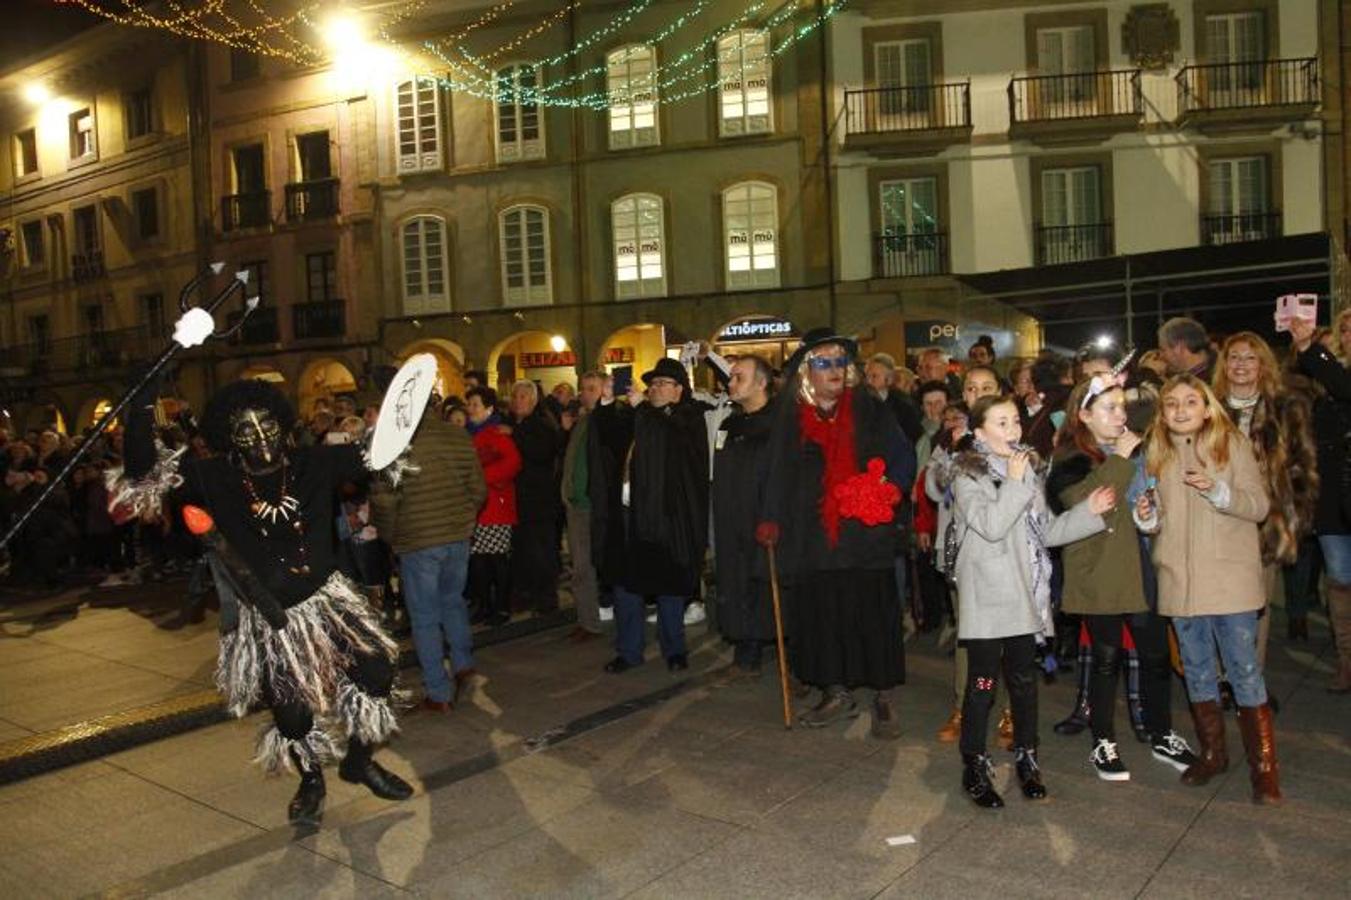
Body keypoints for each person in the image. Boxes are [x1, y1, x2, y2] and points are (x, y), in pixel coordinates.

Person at [115, 372, 413, 826]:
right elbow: (143, 474)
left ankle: (358, 761)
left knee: (377, 671)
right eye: (246, 430)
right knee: (293, 717)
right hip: (271, 620)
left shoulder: (316, 462)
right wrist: (140, 407)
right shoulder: (212, 477)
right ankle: (311, 779)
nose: (260, 437)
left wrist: (405, 396)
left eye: (268, 425)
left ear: (284, 424)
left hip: (329, 602)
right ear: (229, 439)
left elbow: (380, 452)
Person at [950, 394, 1112, 807]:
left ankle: (1027, 755)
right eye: (1000, 423)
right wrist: (1019, 483)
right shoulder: (967, 473)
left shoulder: (1028, 473)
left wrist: (1088, 513)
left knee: (1023, 683)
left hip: (1024, 595)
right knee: (983, 683)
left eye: (1016, 422)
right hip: (986, 597)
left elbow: (1048, 534)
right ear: (979, 430)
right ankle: (974, 759)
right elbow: (989, 525)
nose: (1012, 431)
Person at [758, 329, 914, 739]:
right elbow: (776, 471)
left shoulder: (869, 407)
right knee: (823, 614)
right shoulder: (789, 415)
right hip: (813, 537)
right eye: (823, 362)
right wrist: (771, 517)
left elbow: (902, 456)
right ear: (807, 372)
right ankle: (836, 690)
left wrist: (887, 489)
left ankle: (883, 696)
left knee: (872, 613)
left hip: (864, 532)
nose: (834, 369)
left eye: (839, 362)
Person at [1137, 374, 1280, 803]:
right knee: (1197, 670)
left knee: (1244, 672)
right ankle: (1213, 753)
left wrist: (1219, 492)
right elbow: (1157, 518)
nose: (1180, 410)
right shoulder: (1155, 452)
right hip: (1179, 582)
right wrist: (1146, 517)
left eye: (1190, 402)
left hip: (1230, 579)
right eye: (1171, 403)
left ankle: (1264, 768)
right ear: (1162, 412)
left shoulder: (1231, 444)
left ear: (1207, 407)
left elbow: (1259, 506)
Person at [1048, 376, 1197, 782]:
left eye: (1121, 408)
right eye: (1109, 408)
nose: (1120, 416)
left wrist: (1148, 511)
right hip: (1098, 570)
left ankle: (1162, 732)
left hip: (1140, 566)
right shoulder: (1070, 458)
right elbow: (1084, 504)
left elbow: (1146, 506)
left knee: (1155, 656)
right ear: (1084, 415)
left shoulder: (1140, 452)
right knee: (1105, 659)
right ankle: (1103, 740)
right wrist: (1120, 461)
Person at [370, 393, 486, 714]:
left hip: (418, 541)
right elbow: (478, 489)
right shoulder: (457, 434)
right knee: (453, 601)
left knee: (424, 617)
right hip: (457, 536)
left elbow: (384, 501)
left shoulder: (396, 444)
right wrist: (463, 519)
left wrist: (392, 537)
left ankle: (438, 692)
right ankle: (464, 665)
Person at [598, 358, 709, 673]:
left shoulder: (687, 417)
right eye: (653, 383)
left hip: (667, 520)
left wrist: (641, 408)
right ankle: (629, 650)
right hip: (630, 518)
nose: (655, 389)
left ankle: (674, 649)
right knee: (626, 587)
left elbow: (666, 434)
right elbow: (608, 437)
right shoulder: (641, 416)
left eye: (663, 383)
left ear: (678, 390)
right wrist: (607, 401)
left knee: (669, 589)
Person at [1213, 332, 1319, 654]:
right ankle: (1221, 680)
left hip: (1266, 523)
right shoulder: (1208, 407)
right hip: (1216, 518)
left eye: (1250, 357)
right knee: (1216, 602)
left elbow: (1304, 466)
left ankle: (1250, 685)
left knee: (1256, 605)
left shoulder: (1286, 406)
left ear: (1263, 365)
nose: (1241, 364)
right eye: (1234, 357)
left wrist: (1294, 520)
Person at [1289, 316, 1351, 692]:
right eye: (1344, 329)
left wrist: (1311, 348)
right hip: (1331, 495)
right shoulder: (1321, 381)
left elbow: (1345, 388)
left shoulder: (1332, 376)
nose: (1348, 335)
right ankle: (1347, 662)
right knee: (1340, 579)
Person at [712, 355, 777, 674]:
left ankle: (779, 643)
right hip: (731, 520)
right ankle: (745, 643)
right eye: (731, 376)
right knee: (736, 581)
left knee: (765, 584)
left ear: (762, 383)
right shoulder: (729, 425)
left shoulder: (780, 423)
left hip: (765, 520)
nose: (730, 382)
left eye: (739, 376)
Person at [464, 386, 521, 629]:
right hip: (477, 508)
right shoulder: (469, 435)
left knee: (498, 561)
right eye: (470, 404)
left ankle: (502, 607)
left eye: (475, 404)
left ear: (489, 409)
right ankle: (484, 605)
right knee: (479, 562)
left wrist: (481, 477)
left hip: (495, 506)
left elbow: (513, 463)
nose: (470, 409)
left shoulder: (498, 434)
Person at [507, 380, 564, 615]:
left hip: (540, 500)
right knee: (522, 550)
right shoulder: (511, 424)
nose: (517, 401)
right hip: (517, 500)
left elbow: (541, 453)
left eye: (522, 397)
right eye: (515, 397)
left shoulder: (541, 425)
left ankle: (546, 597)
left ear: (532, 400)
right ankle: (526, 592)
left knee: (541, 549)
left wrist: (515, 434)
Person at [561, 372, 606, 641]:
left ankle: (592, 621)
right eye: (583, 389)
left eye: (592, 388)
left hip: (594, 505)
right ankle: (588, 620)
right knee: (581, 567)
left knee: (589, 566)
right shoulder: (583, 421)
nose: (585, 393)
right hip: (578, 504)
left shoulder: (605, 420)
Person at [865, 352, 923, 442]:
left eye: (874, 376)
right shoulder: (859, 403)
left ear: (890, 379)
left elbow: (914, 438)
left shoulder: (904, 406)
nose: (868, 381)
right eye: (866, 376)